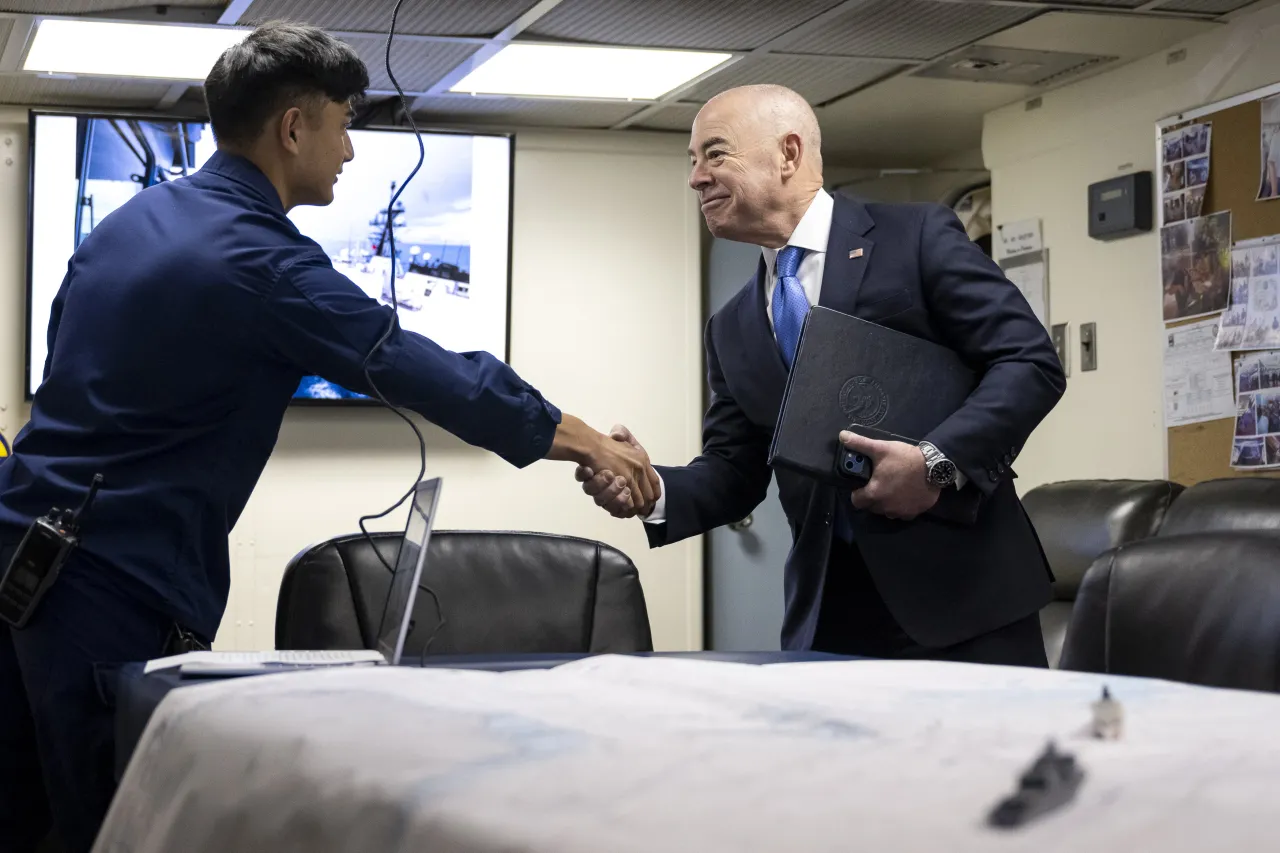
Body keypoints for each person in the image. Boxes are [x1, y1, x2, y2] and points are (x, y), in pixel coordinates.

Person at [0, 22, 655, 853]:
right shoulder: (261, 261)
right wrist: (590, 442)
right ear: (294, 128)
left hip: (22, 571)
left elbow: (64, 374)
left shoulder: (129, 224)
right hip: (109, 592)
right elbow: (415, 365)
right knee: (118, 830)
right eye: (344, 123)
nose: (349, 150)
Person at [578, 84, 1065, 666]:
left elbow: (1029, 362)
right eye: (692, 161)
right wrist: (650, 489)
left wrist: (937, 463)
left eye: (714, 154)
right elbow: (736, 469)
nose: (696, 178)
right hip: (831, 616)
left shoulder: (915, 238)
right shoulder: (731, 327)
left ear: (787, 154)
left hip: (967, 604)